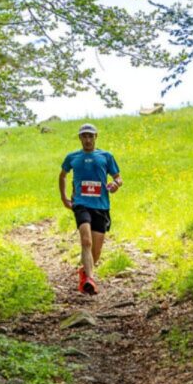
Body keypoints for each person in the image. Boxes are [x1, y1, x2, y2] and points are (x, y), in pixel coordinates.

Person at [59, 123, 123, 295]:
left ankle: (85, 273)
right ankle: (90, 280)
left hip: (101, 206)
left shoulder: (106, 156)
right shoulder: (72, 157)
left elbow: (118, 177)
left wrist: (115, 184)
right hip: (81, 204)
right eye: (84, 136)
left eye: (90, 136)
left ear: (96, 137)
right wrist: (64, 197)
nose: (87, 139)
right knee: (86, 241)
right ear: (80, 138)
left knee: (96, 250)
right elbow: (63, 176)